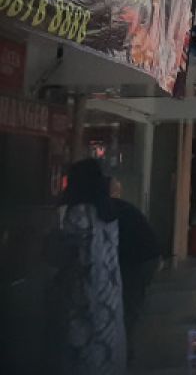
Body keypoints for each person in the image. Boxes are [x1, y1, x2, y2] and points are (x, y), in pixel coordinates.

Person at [52, 159, 126, 374]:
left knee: (84, 349)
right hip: (108, 291)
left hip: (84, 291)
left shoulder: (79, 214)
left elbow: (61, 253)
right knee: (107, 344)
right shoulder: (108, 213)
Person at [109, 178, 160, 363]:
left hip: (139, 260)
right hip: (146, 257)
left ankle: (124, 350)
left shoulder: (107, 210)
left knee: (129, 304)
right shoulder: (122, 208)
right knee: (131, 302)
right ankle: (124, 348)